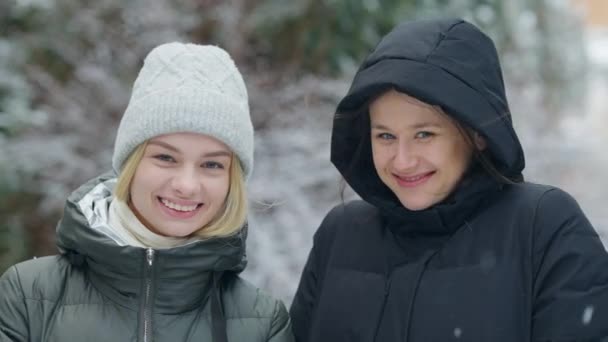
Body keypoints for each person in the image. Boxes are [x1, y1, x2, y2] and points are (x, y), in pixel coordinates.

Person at [290, 18, 608, 342]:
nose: (402, 160)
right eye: (385, 136)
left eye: (424, 134)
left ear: (477, 134)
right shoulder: (340, 235)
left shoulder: (543, 228)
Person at [0, 42, 293, 342]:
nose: (187, 185)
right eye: (165, 158)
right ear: (131, 164)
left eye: (212, 164)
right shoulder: (28, 296)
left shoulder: (263, 323)